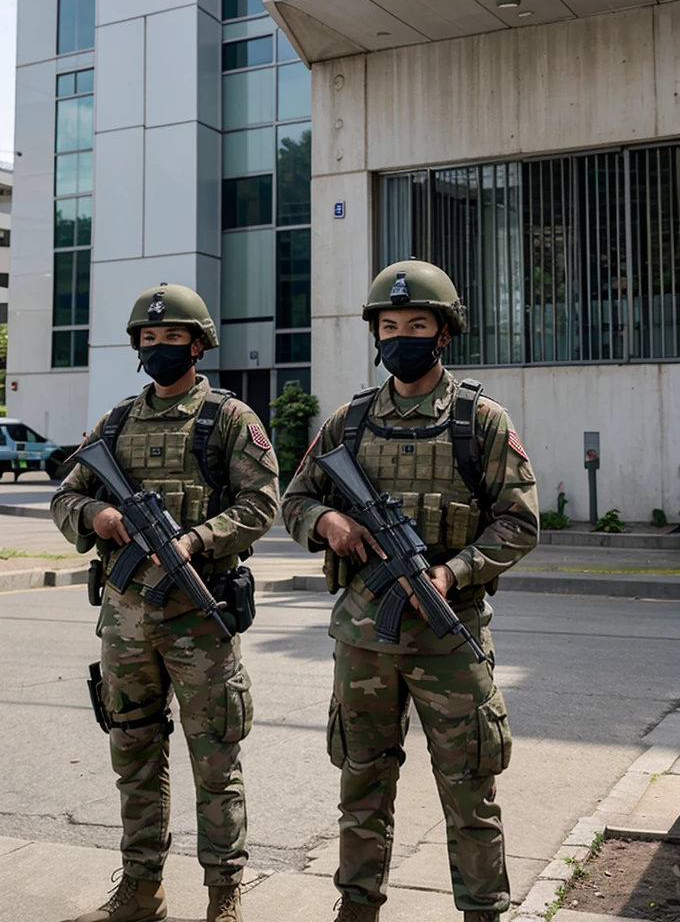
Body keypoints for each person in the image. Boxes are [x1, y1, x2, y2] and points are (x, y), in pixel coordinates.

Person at [282, 260, 539, 922]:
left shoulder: (479, 420)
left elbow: (520, 522)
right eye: (389, 326)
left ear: (444, 333)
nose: (401, 337)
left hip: (449, 638)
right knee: (362, 784)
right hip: (363, 640)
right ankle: (357, 909)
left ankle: (483, 911)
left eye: (416, 325)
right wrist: (327, 520)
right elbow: (296, 498)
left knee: (469, 791)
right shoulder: (350, 421)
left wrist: (453, 572)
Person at [51, 283, 279, 922]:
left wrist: (196, 539)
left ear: (199, 344)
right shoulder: (117, 422)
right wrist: (96, 513)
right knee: (133, 756)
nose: (159, 348)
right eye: (148, 340)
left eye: (172, 338)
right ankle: (140, 888)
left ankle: (223, 894)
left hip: (199, 619)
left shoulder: (231, 419)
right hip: (125, 620)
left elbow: (262, 505)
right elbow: (66, 494)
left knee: (216, 762)